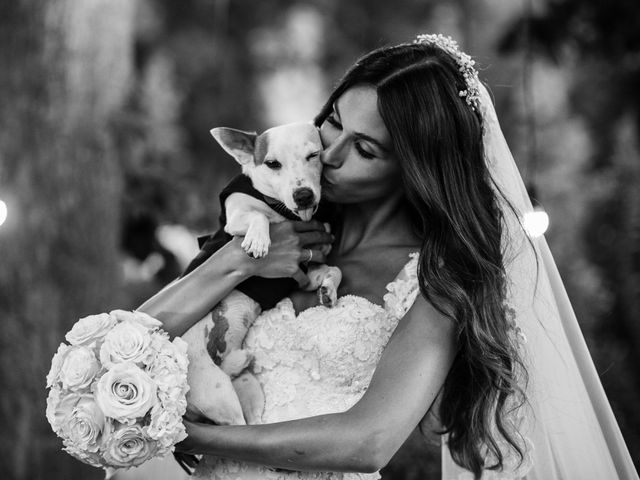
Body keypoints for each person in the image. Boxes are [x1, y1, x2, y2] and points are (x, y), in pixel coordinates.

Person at [132, 34, 639, 480]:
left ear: (415, 168)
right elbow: (133, 338)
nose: (328, 155)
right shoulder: (276, 209)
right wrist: (241, 260)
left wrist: (193, 437)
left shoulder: (437, 279)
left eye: (366, 150)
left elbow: (368, 440)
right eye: (333, 123)